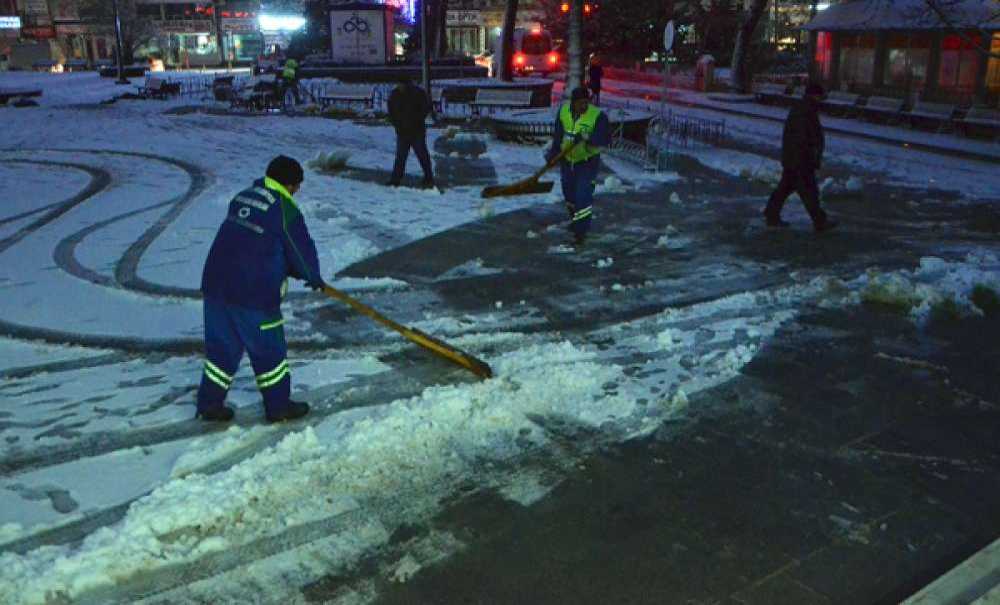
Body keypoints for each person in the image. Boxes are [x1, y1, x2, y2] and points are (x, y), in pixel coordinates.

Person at [196, 156, 324, 424]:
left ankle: (209, 404)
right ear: (289, 184)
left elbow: (254, 241)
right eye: (297, 186)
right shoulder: (284, 209)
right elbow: (300, 252)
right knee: (269, 354)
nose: (297, 191)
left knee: (222, 349)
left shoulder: (244, 197)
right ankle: (278, 407)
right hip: (253, 294)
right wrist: (312, 276)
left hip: (216, 286)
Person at [763, 82, 837, 232]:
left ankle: (771, 214)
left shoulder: (803, 109)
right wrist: (809, 156)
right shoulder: (806, 111)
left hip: (794, 158)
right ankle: (819, 221)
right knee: (809, 191)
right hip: (801, 160)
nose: (821, 100)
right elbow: (803, 137)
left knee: (785, 188)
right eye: (819, 97)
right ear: (814, 96)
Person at [546, 86, 611, 248]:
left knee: (583, 196)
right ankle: (575, 221)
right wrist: (553, 155)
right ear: (573, 103)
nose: (584, 106)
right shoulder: (563, 112)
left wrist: (587, 137)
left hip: (587, 161)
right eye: (580, 103)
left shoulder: (597, 116)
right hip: (567, 161)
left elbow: (605, 138)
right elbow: (558, 136)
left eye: (586, 102)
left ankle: (580, 232)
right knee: (569, 195)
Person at [387, 79, 435, 189]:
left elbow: (425, 108)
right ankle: (397, 178)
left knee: (418, 154)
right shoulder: (400, 94)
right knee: (403, 155)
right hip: (407, 129)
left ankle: (427, 177)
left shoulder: (408, 94)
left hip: (413, 129)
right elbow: (391, 111)